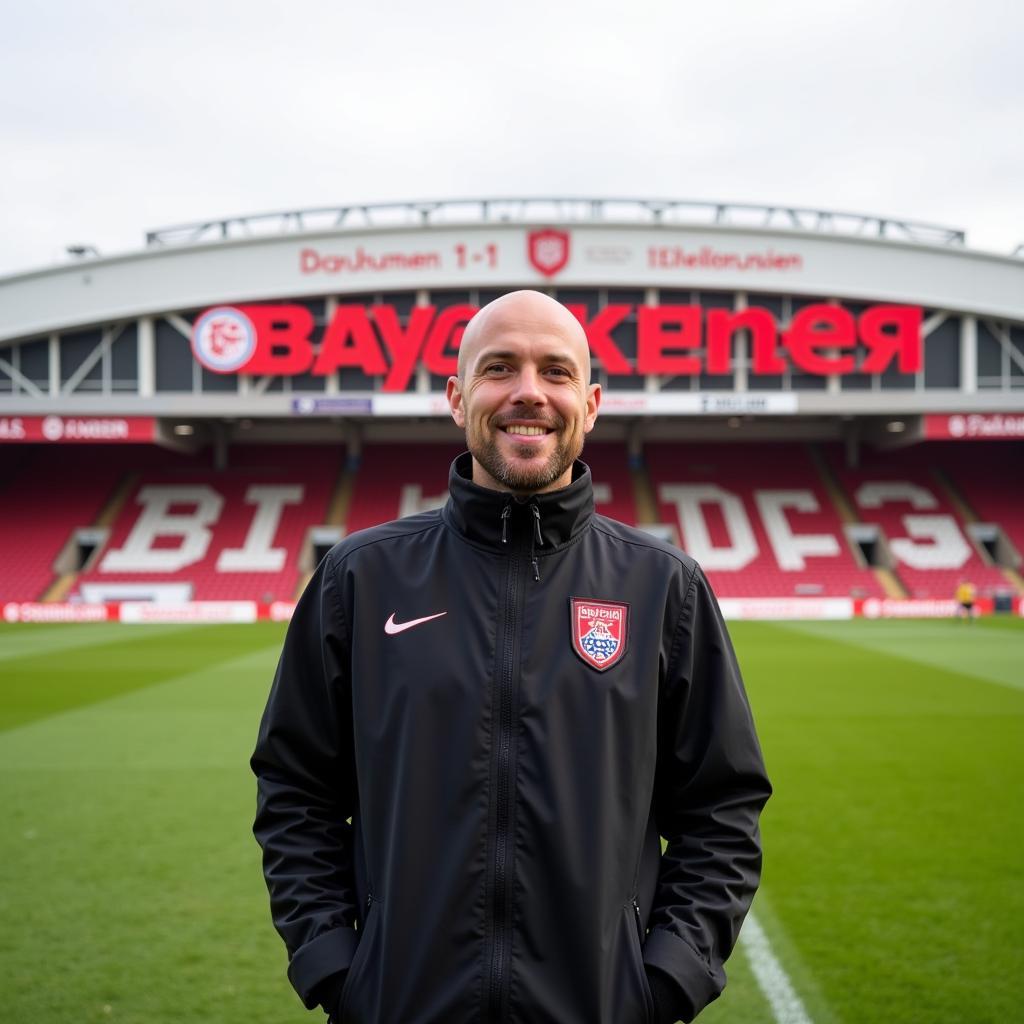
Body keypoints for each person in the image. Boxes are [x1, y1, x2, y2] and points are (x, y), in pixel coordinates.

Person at [251, 290, 771, 1024]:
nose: (529, 392)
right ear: (457, 396)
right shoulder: (360, 579)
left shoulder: (664, 588)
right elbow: (295, 790)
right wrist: (337, 968)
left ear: (590, 404)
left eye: (555, 372)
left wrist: (666, 981)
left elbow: (722, 805)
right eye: (501, 368)